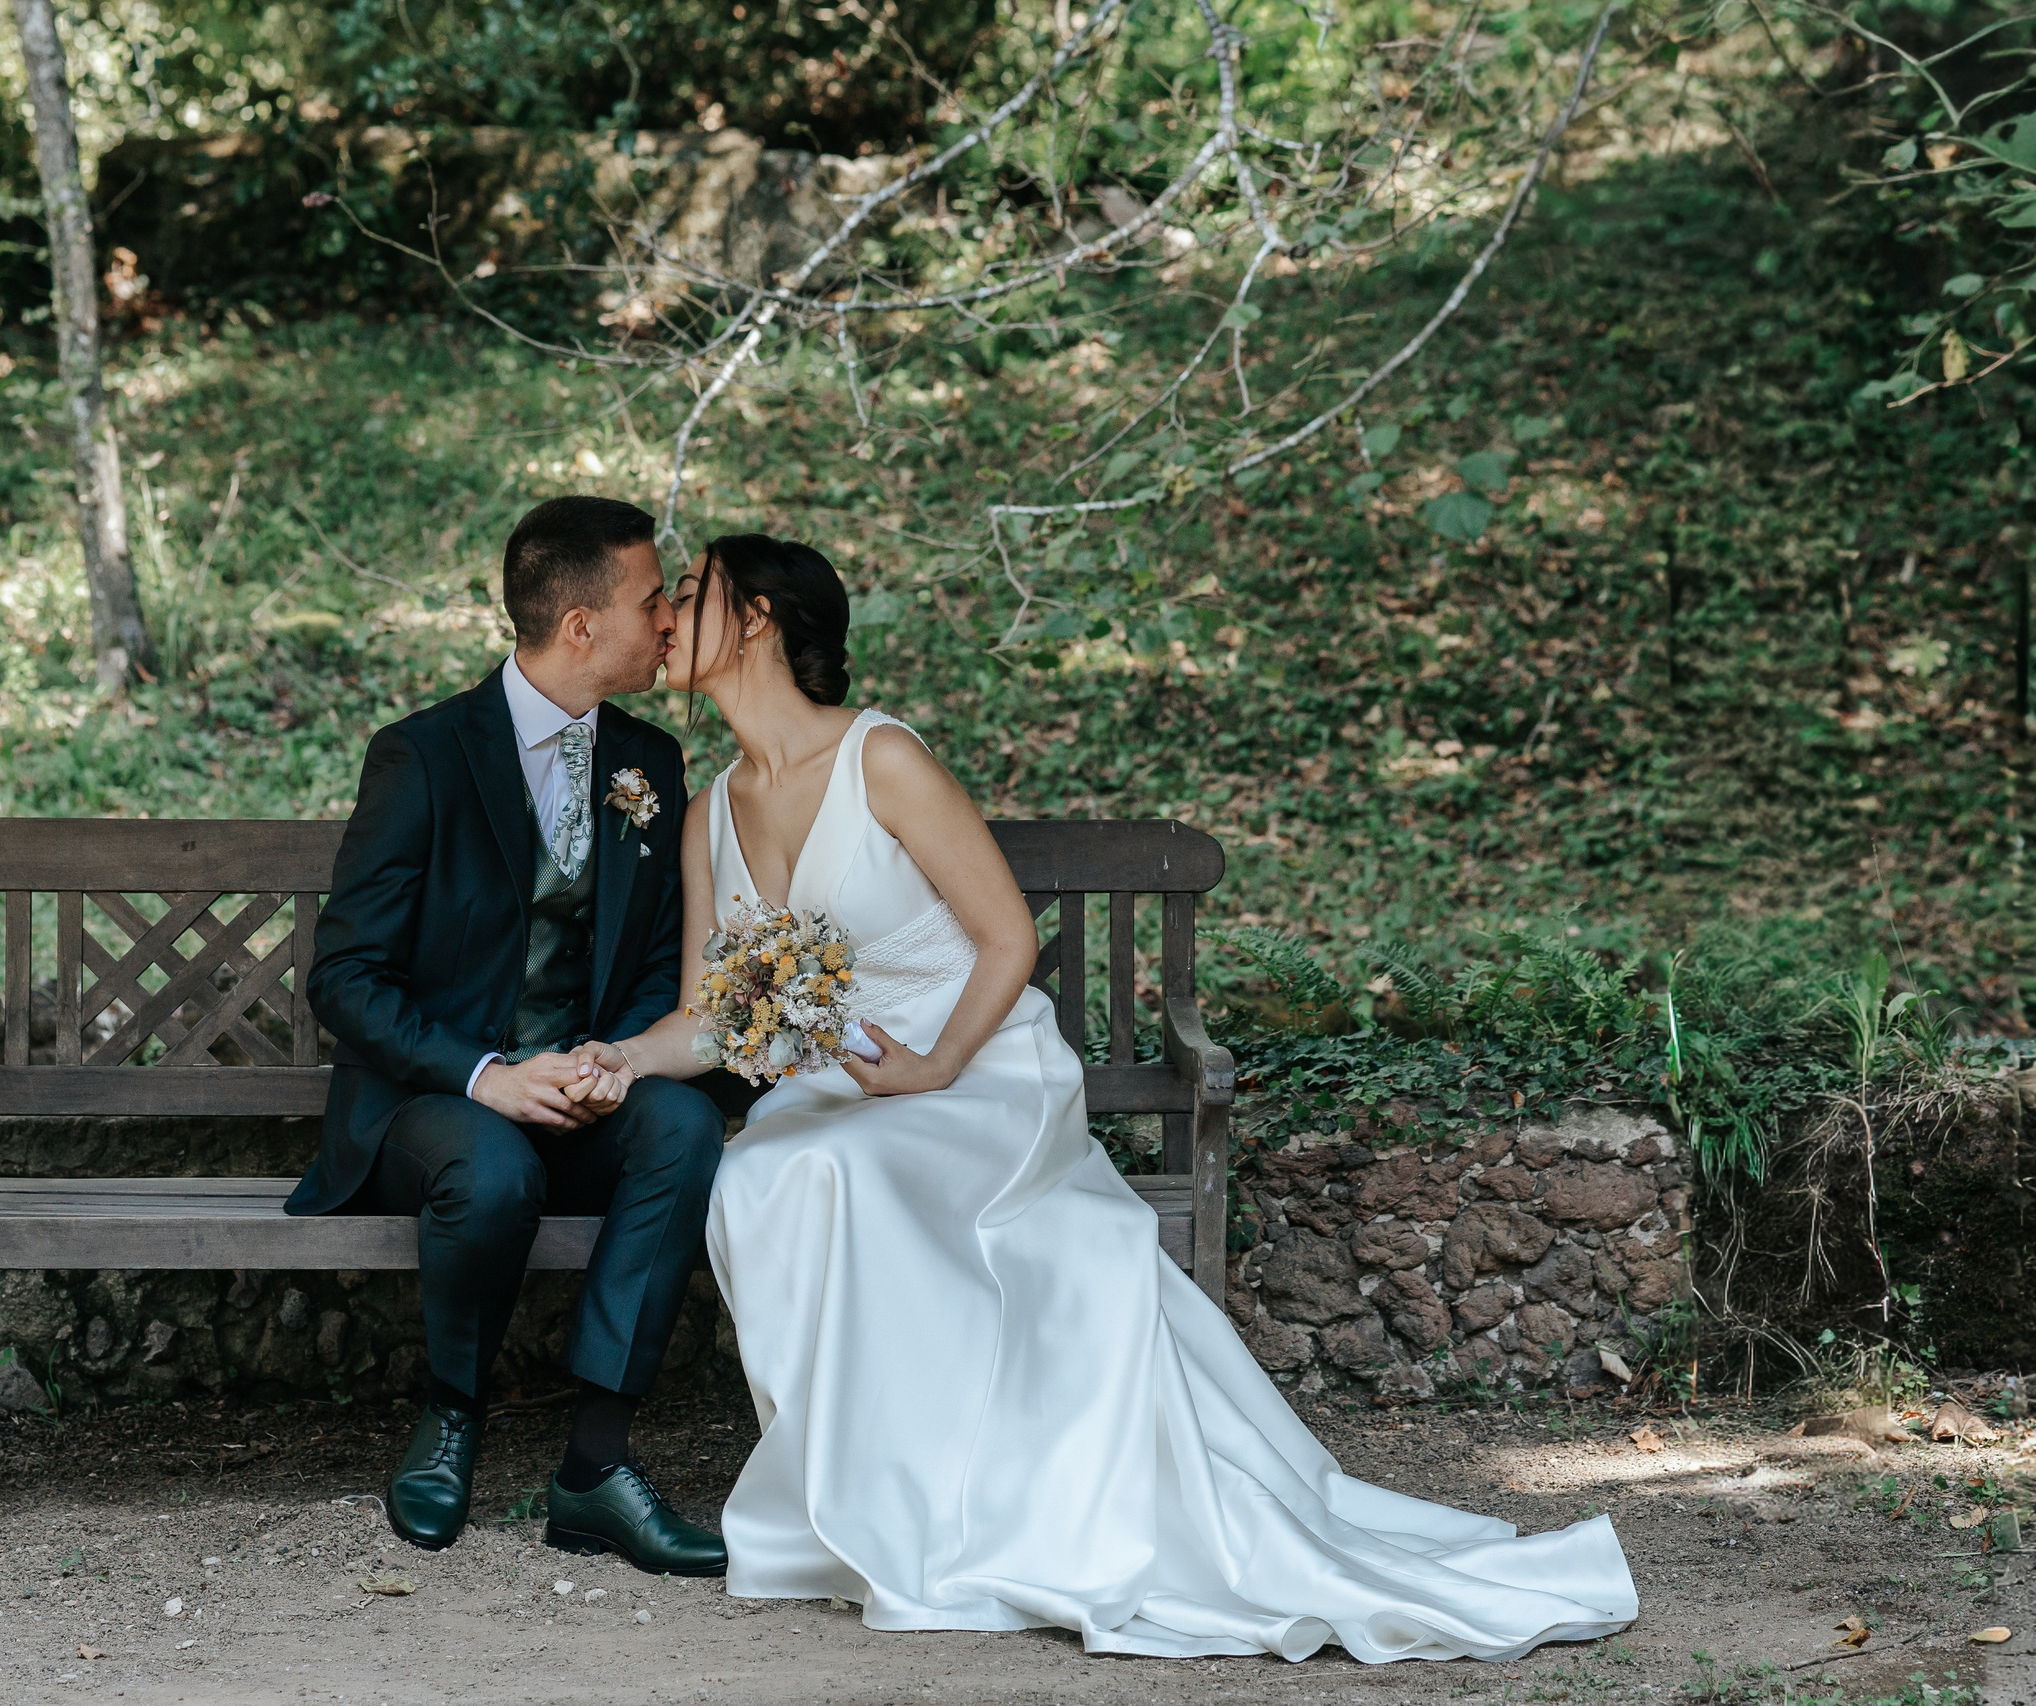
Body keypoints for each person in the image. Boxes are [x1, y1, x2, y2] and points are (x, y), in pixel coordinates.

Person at [578, 533, 1640, 1661]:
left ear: (754, 617)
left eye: (687, 593)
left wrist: (933, 1067)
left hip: (975, 1073)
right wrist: (619, 1060)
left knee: (827, 1167)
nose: (667, 614)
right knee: (767, 1170)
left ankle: (946, 1508)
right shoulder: (707, 814)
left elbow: (1004, 937)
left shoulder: (879, 759)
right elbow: (713, 1009)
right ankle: (889, 1496)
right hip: (843, 1089)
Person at [283, 495, 725, 1576]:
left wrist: (603, 1064)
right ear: (580, 625)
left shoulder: (648, 764)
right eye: (651, 596)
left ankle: (595, 1466)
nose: (669, 616)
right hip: (436, 1101)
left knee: (681, 1123)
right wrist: (487, 1076)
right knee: (487, 1171)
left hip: (577, 1092)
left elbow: (656, 950)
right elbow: (342, 975)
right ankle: (449, 1416)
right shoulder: (423, 756)